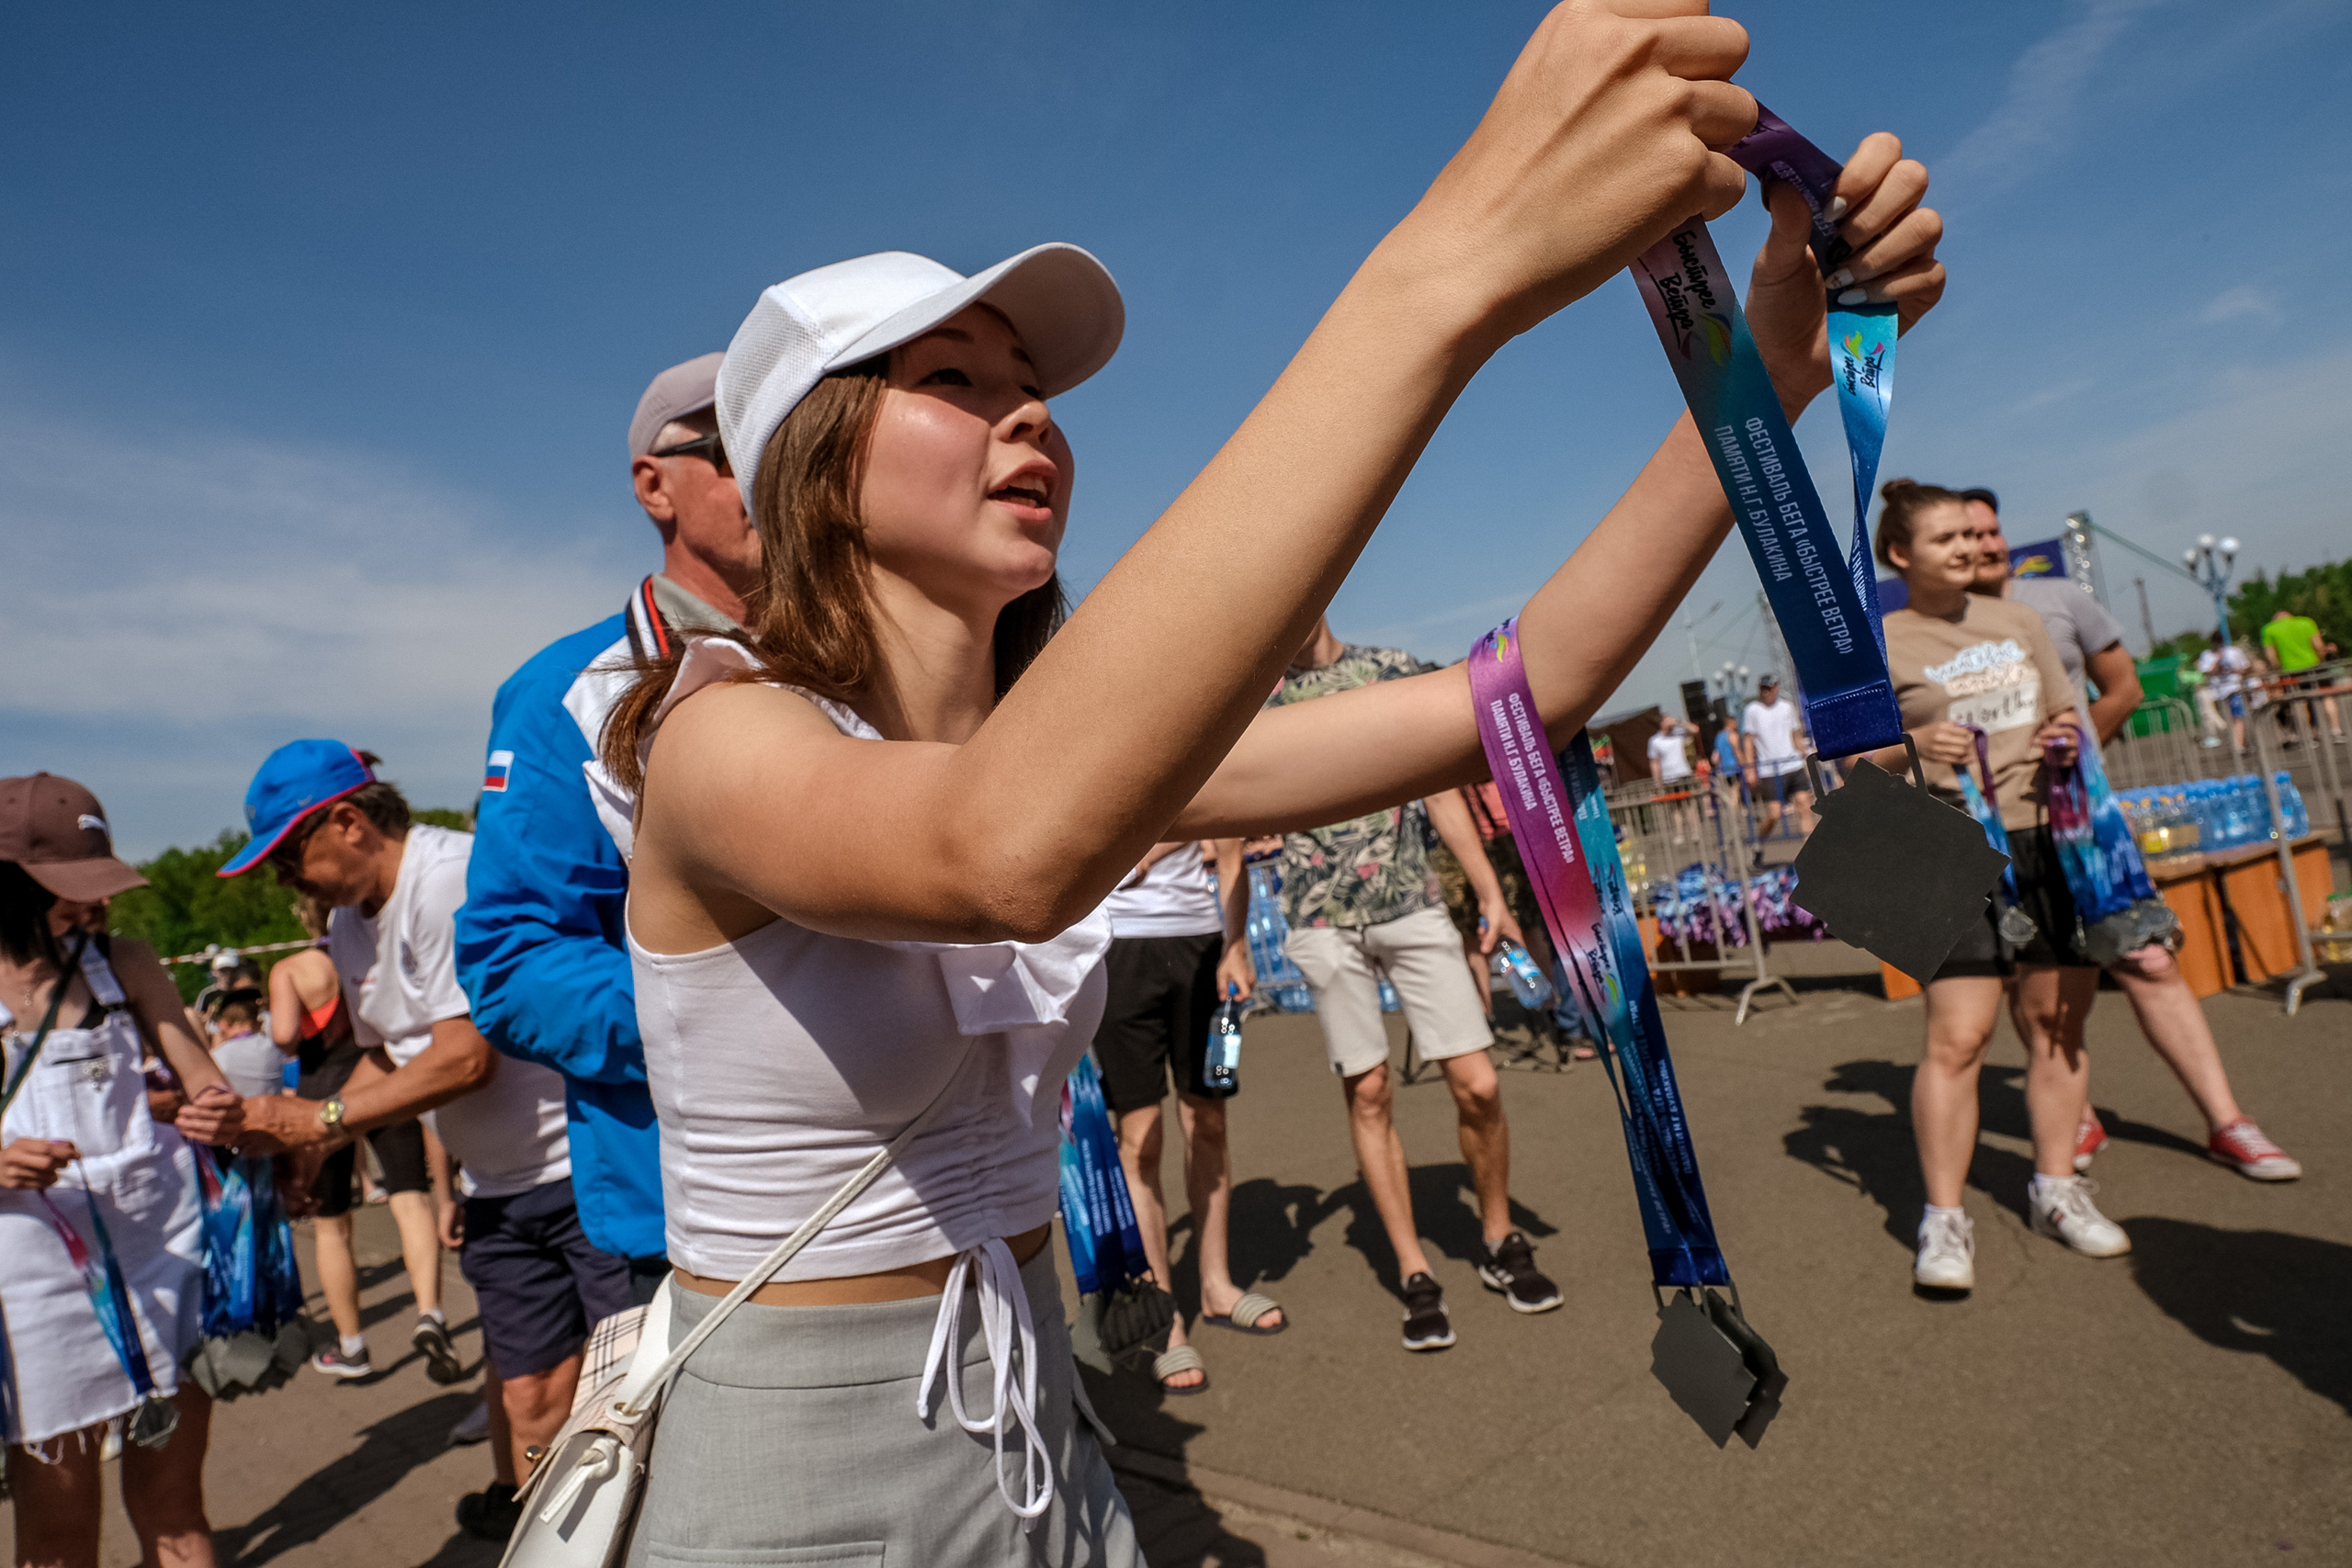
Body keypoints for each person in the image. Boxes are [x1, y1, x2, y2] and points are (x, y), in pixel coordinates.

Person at [598, 19, 1944, 1554]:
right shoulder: (720, 737)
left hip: (1044, 1428)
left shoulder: (1063, 756)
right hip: (797, 1473)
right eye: (955, 380)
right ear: (812, 464)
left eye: (1032, 388)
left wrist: (1762, 370)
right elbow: (1001, 854)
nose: (1029, 414)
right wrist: (1451, 263)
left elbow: (1523, 691)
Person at [220, 744, 628, 1543]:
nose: (284, 879)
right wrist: (319, 1141)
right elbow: (385, 1054)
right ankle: (561, 1545)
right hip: (499, 1186)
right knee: (527, 1393)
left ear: (348, 822)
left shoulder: (447, 877)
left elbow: (464, 1057)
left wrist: (322, 1121)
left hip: (586, 1170)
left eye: (288, 854)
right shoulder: (347, 928)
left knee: (628, 1388)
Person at [454, 355, 755, 1304]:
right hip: (693, 1215)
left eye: (792, 442)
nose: (772, 470)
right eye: (731, 448)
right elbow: (510, 961)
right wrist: (751, 1019)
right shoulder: (566, 690)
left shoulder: (873, 657)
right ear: (652, 485)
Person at [1965, 499, 2301, 1182]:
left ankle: (2227, 1121)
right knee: (2042, 989)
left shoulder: (2057, 596)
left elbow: (2118, 687)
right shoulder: (1934, 632)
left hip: (2085, 824)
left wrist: (2078, 758)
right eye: (1966, 533)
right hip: (2000, 835)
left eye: (1991, 528)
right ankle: (2075, 1115)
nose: (1985, 542)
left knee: (2149, 959)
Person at [1271, 617, 1561, 1350]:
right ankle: (1413, 1269)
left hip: (1412, 904)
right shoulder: (1258, 709)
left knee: (1479, 1084)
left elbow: (1439, 793)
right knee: (1368, 1091)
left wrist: (1490, 891)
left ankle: (1498, 1235)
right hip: (1320, 920)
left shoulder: (1391, 670)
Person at [1867, 480, 2123, 1293]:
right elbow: (1846, 766)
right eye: (1948, 539)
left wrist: (2059, 737)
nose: (1971, 549)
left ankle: (2057, 1186)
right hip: (1943, 848)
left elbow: (2071, 713)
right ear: (1901, 554)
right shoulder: (1879, 639)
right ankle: (1944, 1217)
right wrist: (1911, 743)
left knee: (2055, 1023)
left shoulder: (2018, 621)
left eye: (1973, 539)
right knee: (1959, 1036)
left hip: (2047, 834)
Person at [1, 773, 246, 1568]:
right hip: (34, 1275)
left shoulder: (126, 961)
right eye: (70, 892)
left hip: (157, 1245)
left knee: (176, 1509)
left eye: (99, 887)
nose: (95, 907)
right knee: (57, 1534)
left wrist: (213, 1103)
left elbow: (200, 1071)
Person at [1091, 839, 1273, 1394]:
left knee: (1208, 1118)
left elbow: (1232, 844)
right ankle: (1164, 1318)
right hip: (1117, 947)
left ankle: (1217, 1285)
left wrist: (1235, 943)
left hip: (1199, 941)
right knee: (1140, 1138)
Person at [265, 895, 459, 1383]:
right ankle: (430, 1311)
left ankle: (353, 1345)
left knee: (333, 1226)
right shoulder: (370, 957)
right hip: (384, 1084)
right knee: (410, 1200)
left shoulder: (291, 969)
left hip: (320, 1096)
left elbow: (285, 1035)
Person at [1740, 674, 1814, 840]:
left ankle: (1812, 852)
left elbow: (1795, 735)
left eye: (1769, 688)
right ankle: (1759, 843)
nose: (1766, 692)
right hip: (1770, 769)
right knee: (1775, 814)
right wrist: (1750, 768)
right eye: (1763, 689)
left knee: (1804, 805)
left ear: (1776, 688)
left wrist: (1805, 757)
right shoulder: (1753, 710)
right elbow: (1749, 741)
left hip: (1793, 764)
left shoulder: (1787, 707)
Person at [2259, 606, 2344, 742]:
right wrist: (2320, 658)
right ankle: (2336, 730)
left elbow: (2271, 656)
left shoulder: (2269, 629)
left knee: (2299, 701)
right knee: (2328, 696)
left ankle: (2310, 734)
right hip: (2314, 665)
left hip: (2290, 670)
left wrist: (2278, 666)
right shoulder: (2306, 622)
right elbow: (2318, 646)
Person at [2195, 632, 2255, 753]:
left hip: (2234, 688)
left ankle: (2239, 745)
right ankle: (2234, 741)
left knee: (2237, 717)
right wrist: (2217, 660)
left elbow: (2245, 668)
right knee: (2225, 720)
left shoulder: (2234, 652)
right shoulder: (2207, 655)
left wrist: (2238, 670)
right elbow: (2206, 672)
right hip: (2217, 693)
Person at [1647, 714, 1699, 843]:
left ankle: (1695, 832)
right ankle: (1680, 834)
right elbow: (1655, 763)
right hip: (1669, 777)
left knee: (1689, 805)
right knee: (1675, 807)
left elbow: (1694, 730)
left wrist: (1678, 721)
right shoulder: (1655, 740)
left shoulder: (1678, 734)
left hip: (1683, 773)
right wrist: (1657, 783)